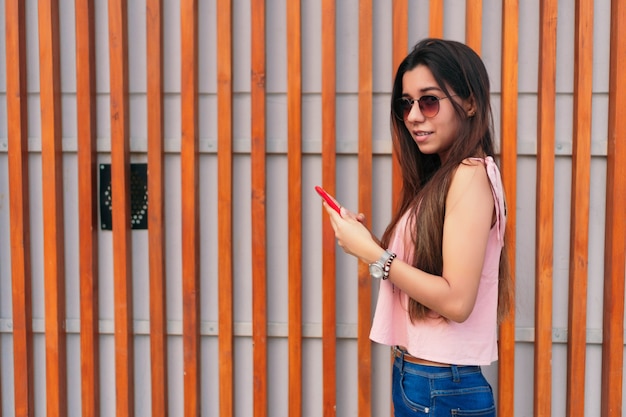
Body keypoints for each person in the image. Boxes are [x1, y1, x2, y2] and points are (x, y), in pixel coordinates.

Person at [321, 38, 512, 416]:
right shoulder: (442, 178)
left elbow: (456, 301)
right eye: (405, 103)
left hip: (439, 388)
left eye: (428, 100)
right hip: (424, 383)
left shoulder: (471, 174)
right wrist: (367, 245)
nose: (412, 116)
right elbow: (427, 275)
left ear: (470, 102)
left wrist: (376, 255)